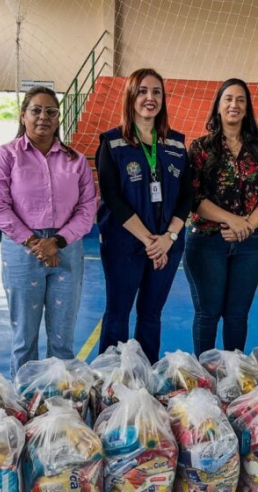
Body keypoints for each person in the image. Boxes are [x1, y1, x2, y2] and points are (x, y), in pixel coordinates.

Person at [0, 86, 98, 376]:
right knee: (25, 340)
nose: (43, 117)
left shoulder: (76, 161)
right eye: (36, 110)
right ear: (23, 115)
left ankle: (60, 408)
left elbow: (87, 208)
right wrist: (35, 243)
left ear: (59, 119)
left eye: (51, 111)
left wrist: (56, 242)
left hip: (67, 251)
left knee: (62, 341)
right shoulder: (5, 156)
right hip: (22, 252)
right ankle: (24, 407)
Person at [95, 68, 192, 362]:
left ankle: (146, 378)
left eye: (156, 92)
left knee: (151, 315)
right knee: (118, 313)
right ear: (130, 97)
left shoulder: (176, 144)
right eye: (143, 91)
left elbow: (187, 196)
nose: (150, 98)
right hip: (124, 244)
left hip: (167, 245)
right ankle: (110, 382)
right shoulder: (112, 143)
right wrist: (152, 241)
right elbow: (112, 197)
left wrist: (168, 239)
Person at [184, 78, 258, 355]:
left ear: (247, 108)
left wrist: (246, 226)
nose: (234, 104)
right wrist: (232, 220)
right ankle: (204, 376)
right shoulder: (200, 149)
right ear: (218, 106)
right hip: (206, 243)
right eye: (228, 99)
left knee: (237, 315)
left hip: (250, 245)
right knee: (208, 313)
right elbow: (194, 198)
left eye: (240, 100)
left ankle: (231, 377)